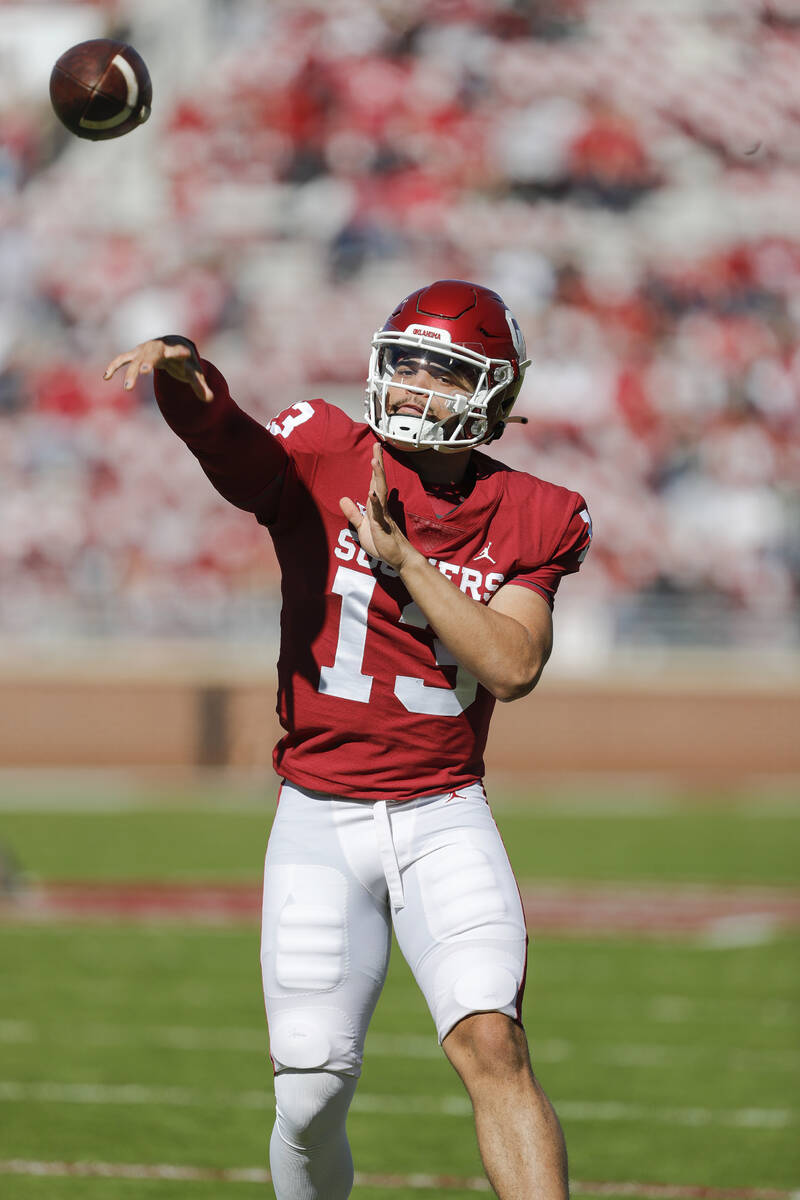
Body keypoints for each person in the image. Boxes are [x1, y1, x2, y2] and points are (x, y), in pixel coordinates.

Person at [104, 279, 591, 1200]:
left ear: (492, 393)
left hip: (444, 809)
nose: (408, 385)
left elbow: (513, 666)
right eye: (401, 362)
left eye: (438, 370)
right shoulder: (330, 449)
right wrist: (185, 373)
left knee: (495, 1041)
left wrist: (409, 562)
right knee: (313, 1087)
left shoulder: (536, 511)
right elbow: (234, 448)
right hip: (320, 815)